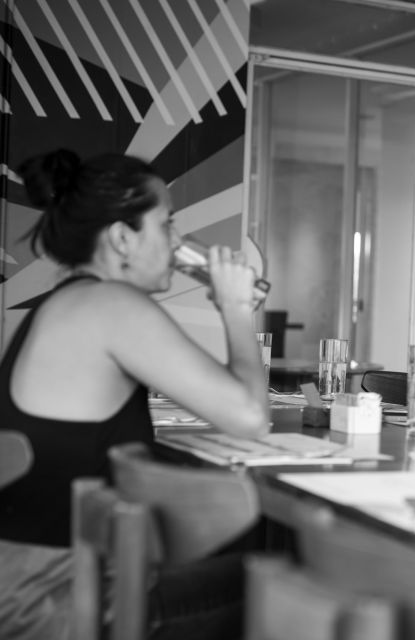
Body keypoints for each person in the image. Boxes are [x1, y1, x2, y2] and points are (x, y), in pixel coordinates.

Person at [0, 149, 271, 640]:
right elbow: (249, 416)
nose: (177, 241)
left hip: (27, 583)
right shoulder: (112, 304)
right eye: (166, 224)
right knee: (277, 577)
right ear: (124, 237)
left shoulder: (72, 301)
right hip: (53, 600)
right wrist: (235, 309)